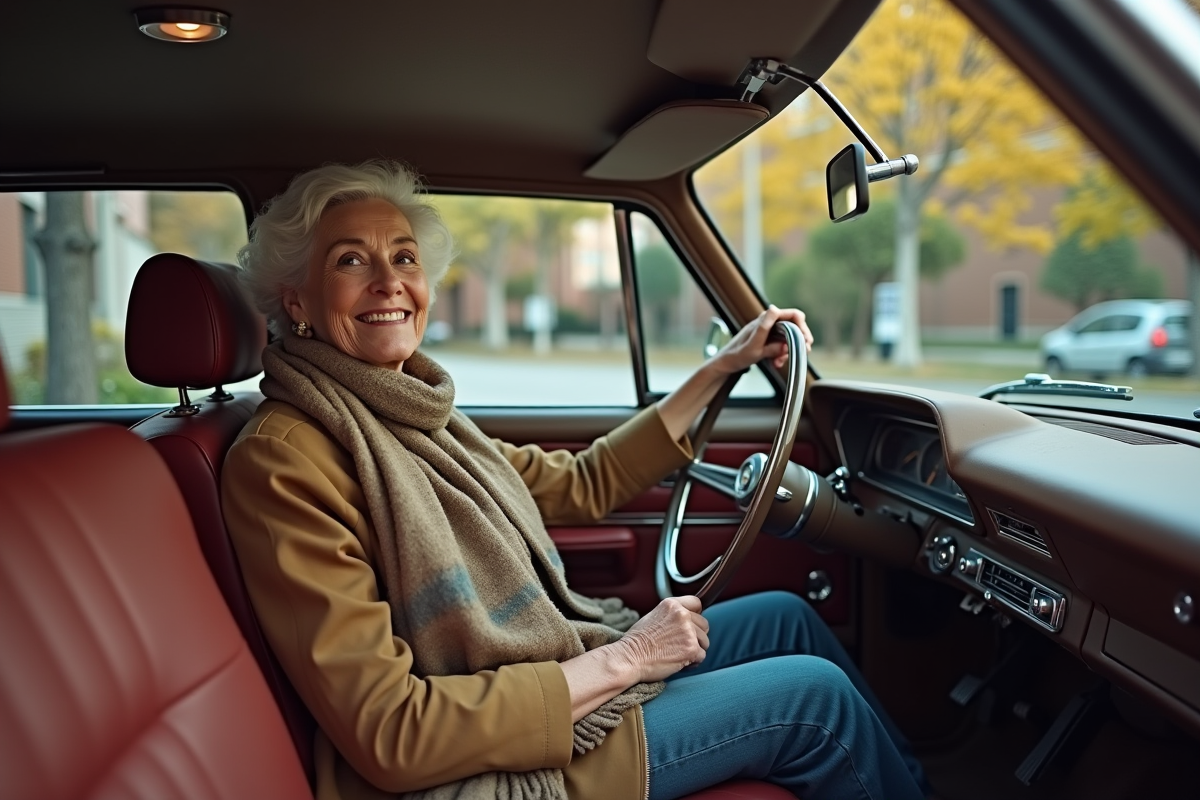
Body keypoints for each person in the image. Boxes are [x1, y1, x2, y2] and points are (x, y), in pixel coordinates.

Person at [222, 159, 930, 800]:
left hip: (545, 685)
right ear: (298, 303)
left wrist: (720, 369)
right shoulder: (285, 459)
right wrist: (625, 661)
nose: (390, 283)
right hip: (487, 760)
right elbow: (392, 734)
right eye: (352, 261)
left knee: (787, 616)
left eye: (404, 257)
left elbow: (579, 484)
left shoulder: (414, 414)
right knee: (815, 698)